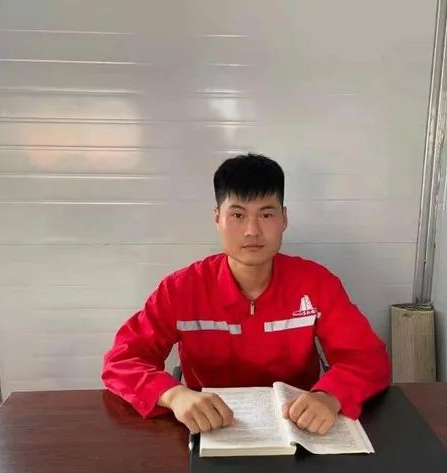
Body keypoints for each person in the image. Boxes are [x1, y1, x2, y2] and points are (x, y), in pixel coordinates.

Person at [102, 153, 390, 435]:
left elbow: (367, 358)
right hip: (210, 427)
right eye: (237, 215)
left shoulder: (316, 284)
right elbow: (123, 360)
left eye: (266, 214)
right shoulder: (181, 289)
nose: (252, 231)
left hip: (299, 426)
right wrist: (174, 395)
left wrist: (329, 396)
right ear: (217, 218)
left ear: (284, 218)